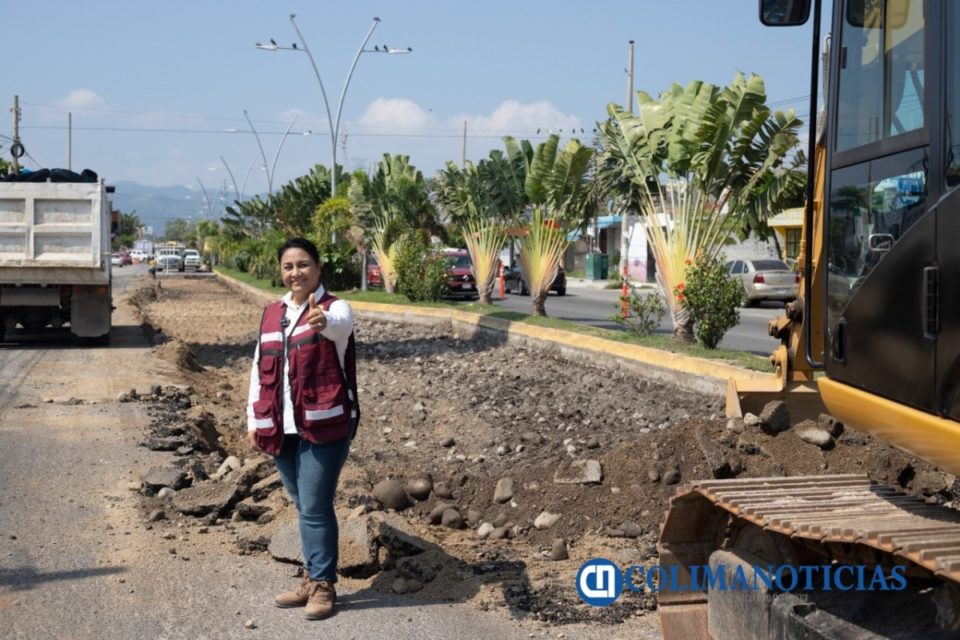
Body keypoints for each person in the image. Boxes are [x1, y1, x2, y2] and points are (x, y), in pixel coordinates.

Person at [246, 237, 359, 620]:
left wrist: (322, 322)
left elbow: (339, 327)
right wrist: (253, 420)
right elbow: (258, 370)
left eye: (303, 265)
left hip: (325, 425)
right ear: (281, 271)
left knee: (314, 505)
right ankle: (312, 577)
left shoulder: (334, 308)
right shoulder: (271, 313)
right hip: (281, 427)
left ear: (318, 267)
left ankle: (324, 585)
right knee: (302, 504)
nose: (296, 272)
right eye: (288, 266)